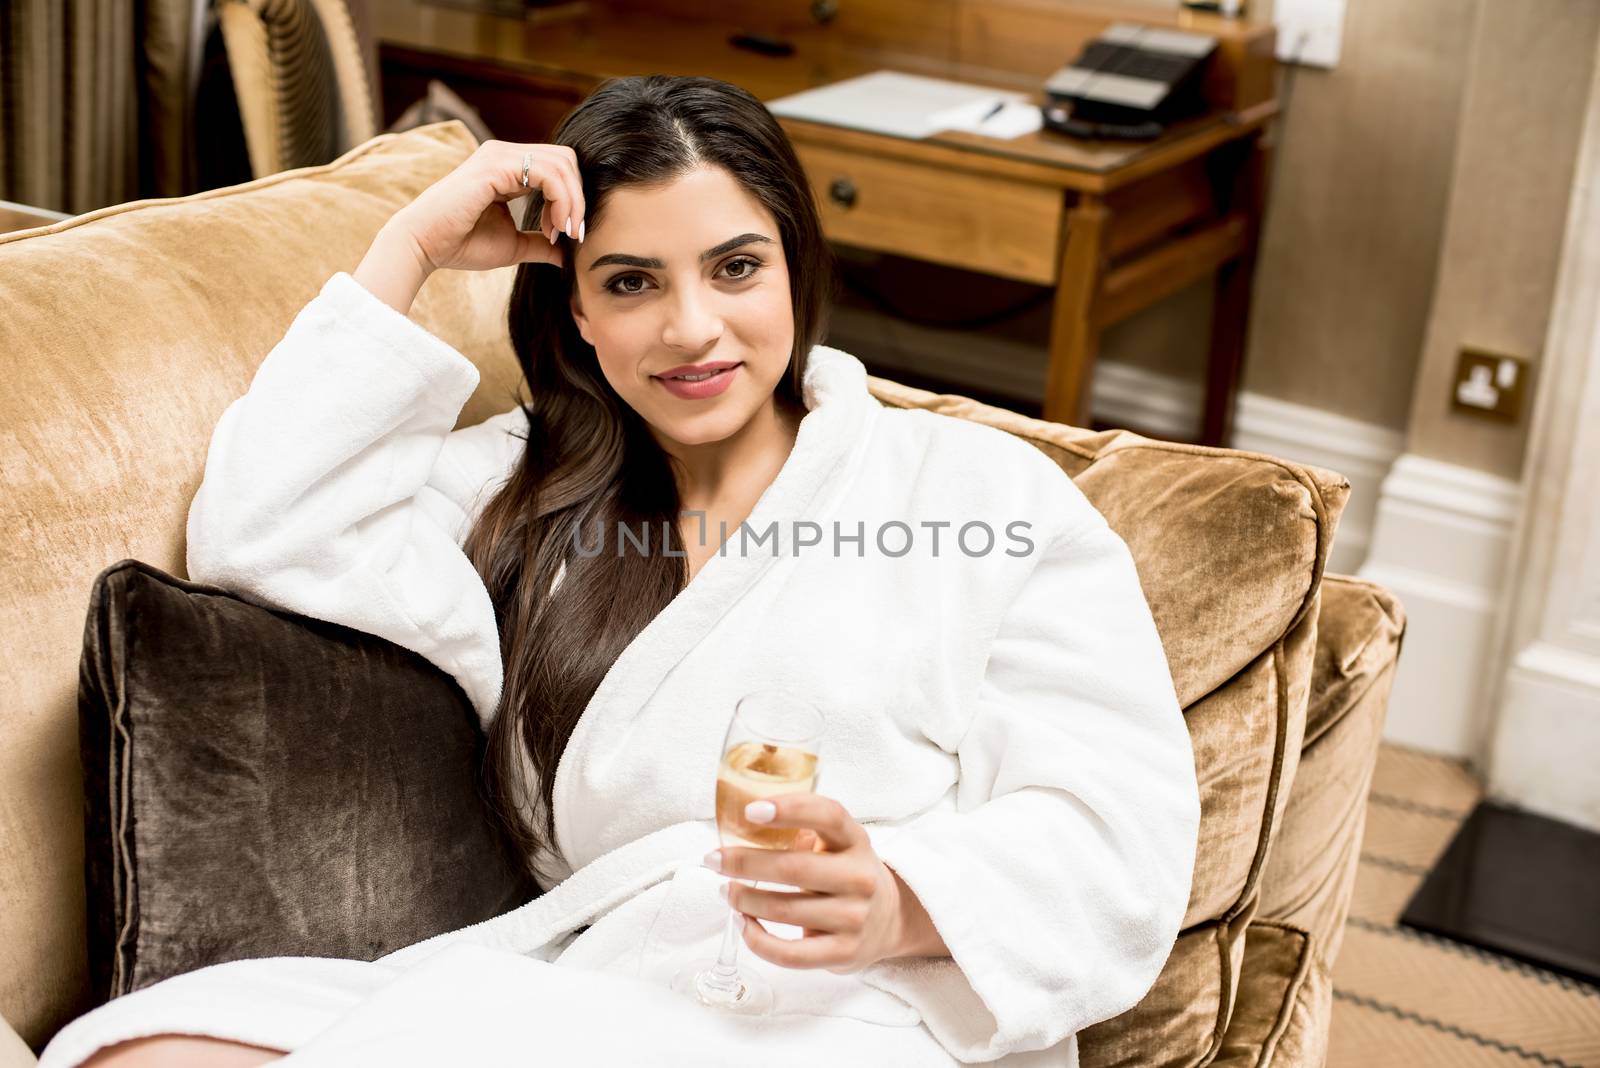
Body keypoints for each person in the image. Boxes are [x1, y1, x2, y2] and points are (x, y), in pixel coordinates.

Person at [42, 75, 1199, 1067]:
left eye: (736, 268)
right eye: (632, 282)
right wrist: (413, 249)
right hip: (594, 991)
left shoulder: (980, 499)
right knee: (154, 1048)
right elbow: (266, 533)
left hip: (869, 1014)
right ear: (576, 307)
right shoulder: (526, 488)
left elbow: (1117, 837)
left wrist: (896, 902)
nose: (693, 329)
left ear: (795, 268)